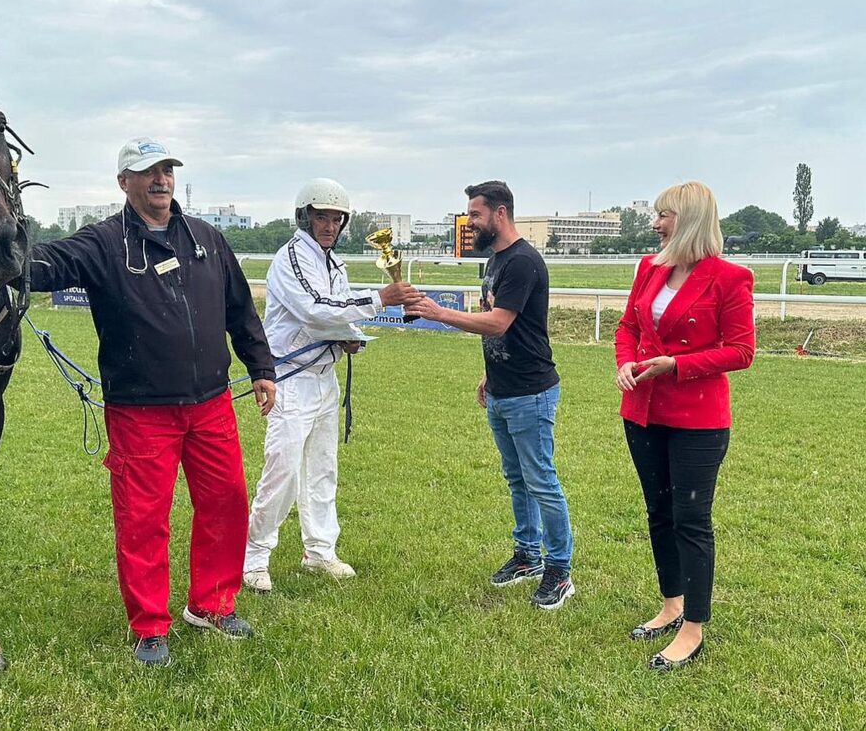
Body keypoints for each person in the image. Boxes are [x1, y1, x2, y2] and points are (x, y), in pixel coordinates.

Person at [30, 137, 277, 667]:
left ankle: (212, 605)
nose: (161, 179)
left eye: (166, 169)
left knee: (227, 502)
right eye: (148, 172)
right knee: (144, 518)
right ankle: (149, 627)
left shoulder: (207, 238)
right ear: (125, 182)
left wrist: (261, 368)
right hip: (140, 410)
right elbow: (43, 266)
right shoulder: (102, 243)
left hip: (210, 403)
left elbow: (240, 310)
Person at [242, 178, 423, 594]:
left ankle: (320, 550)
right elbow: (312, 310)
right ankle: (254, 555)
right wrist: (379, 298)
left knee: (323, 470)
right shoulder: (290, 258)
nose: (329, 225)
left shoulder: (333, 263)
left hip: (324, 377)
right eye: (321, 216)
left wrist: (350, 334)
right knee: (283, 472)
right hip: (290, 379)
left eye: (336, 218)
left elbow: (334, 313)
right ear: (305, 216)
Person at [408, 180, 575, 610]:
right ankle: (527, 557)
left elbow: (499, 322)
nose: (471, 222)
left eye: (476, 214)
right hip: (503, 388)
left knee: (541, 480)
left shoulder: (523, 261)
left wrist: (439, 312)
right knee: (517, 478)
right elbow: (500, 327)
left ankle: (559, 570)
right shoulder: (496, 261)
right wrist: (489, 374)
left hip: (531, 392)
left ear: (500, 213)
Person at [614, 181, 754, 671]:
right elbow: (628, 326)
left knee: (691, 521)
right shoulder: (649, 269)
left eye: (664, 215)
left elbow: (741, 351)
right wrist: (626, 362)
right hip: (643, 411)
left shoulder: (730, 278)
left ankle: (693, 627)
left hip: (697, 419)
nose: (656, 223)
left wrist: (676, 364)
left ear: (690, 218)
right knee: (659, 512)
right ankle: (671, 603)